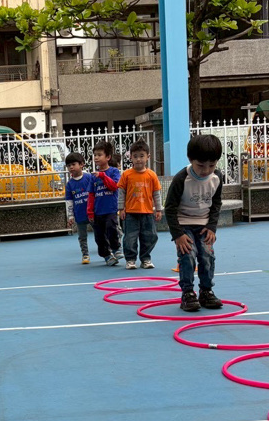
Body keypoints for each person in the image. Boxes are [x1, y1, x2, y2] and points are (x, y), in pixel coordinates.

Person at [164, 133, 225, 312]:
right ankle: (188, 293)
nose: (206, 170)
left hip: (204, 225)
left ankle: (206, 291)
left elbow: (216, 203)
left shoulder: (216, 178)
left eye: (212, 165)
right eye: (201, 165)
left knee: (207, 256)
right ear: (190, 159)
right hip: (183, 224)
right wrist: (178, 235)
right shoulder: (181, 178)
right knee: (188, 255)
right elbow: (170, 208)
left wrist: (212, 227)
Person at [117, 139, 162, 270]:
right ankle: (130, 259)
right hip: (131, 213)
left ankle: (145, 258)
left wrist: (158, 209)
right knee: (130, 238)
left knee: (150, 236)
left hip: (147, 213)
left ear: (148, 157)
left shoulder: (152, 175)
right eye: (135, 156)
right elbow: (121, 193)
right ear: (130, 157)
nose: (138, 159)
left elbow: (156, 193)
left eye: (141, 156)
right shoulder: (126, 175)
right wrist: (121, 209)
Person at [85, 139, 122, 265]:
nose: (96, 157)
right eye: (95, 155)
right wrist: (90, 212)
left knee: (111, 228)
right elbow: (91, 194)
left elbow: (114, 186)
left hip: (110, 209)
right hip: (97, 211)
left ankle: (116, 248)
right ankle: (106, 255)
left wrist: (102, 176)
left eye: (99, 155)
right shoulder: (93, 176)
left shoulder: (114, 172)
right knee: (99, 235)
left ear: (108, 157)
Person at [63, 152, 96, 264]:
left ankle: (106, 252)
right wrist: (70, 216)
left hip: (92, 214)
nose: (71, 167)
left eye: (73, 164)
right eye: (69, 165)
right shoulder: (69, 185)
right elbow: (69, 201)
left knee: (100, 233)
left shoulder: (89, 177)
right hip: (79, 215)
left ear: (81, 164)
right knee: (82, 237)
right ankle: (85, 254)